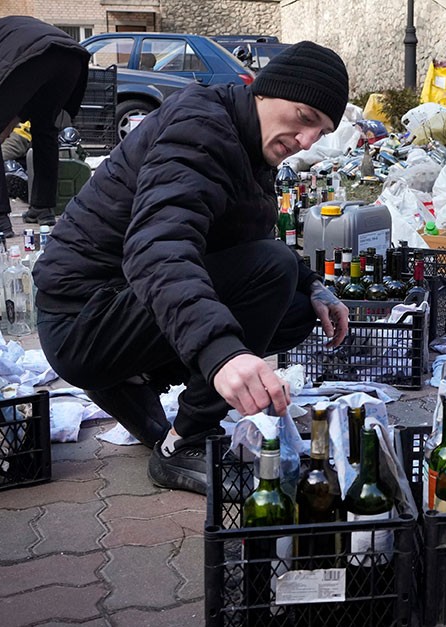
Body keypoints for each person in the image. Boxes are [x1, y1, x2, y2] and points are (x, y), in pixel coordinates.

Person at [33, 41, 352, 495]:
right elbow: (157, 246)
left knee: (298, 307)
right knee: (272, 272)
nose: (305, 141)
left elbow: (249, 237)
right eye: (304, 117)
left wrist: (315, 285)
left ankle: (131, 378)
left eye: (319, 133)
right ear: (265, 91)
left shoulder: (247, 140)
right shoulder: (201, 127)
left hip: (120, 307)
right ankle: (186, 442)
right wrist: (223, 353)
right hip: (81, 319)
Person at [0, 16, 90, 235]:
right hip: (71, 56)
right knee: (44, 129)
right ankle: (42, 208)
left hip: (31, 54)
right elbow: (18, 99)